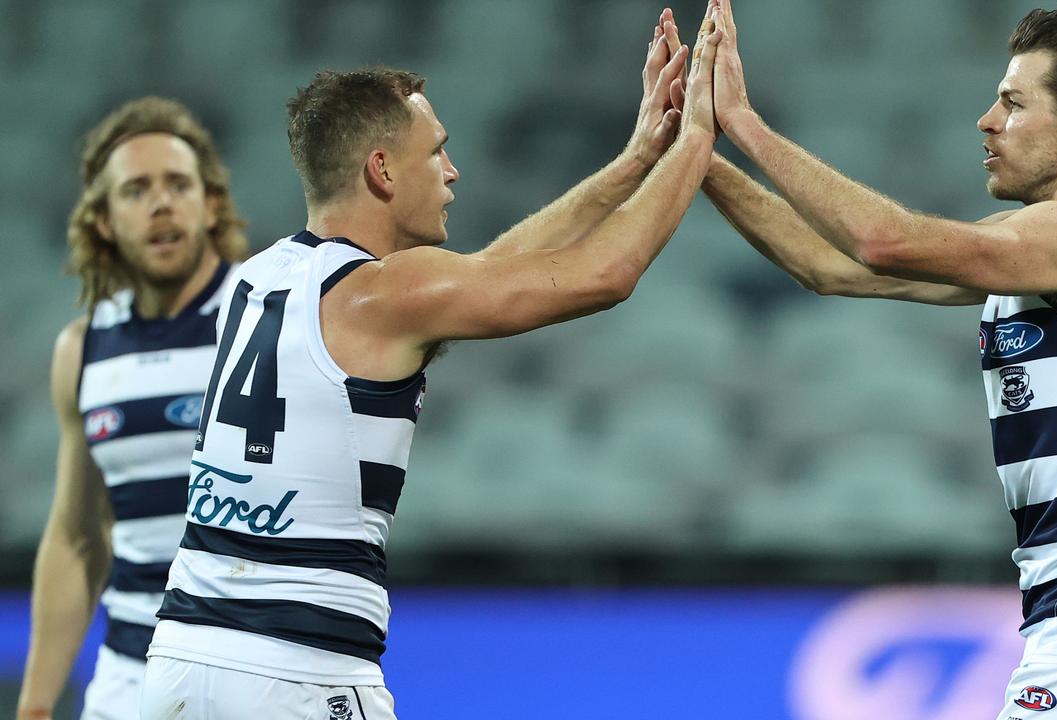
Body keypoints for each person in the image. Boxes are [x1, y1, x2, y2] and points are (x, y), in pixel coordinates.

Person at [138, 8, 723, 719]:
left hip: (177, 663)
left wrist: (635, 160)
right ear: (381, 170)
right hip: (296, 672)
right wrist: (698, 135)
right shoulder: (383, 294)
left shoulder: (260, 280)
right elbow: (606, 275)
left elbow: (487, 272)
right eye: (435, 152)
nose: (452, 171)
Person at [690, 2, 1057, 718]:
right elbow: (832, 267)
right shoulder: (1042, 246)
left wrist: (743, 124)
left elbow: (884, 243)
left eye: (1012, 102)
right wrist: (697, 152)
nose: (987, 121)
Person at [16, 98, 248, 720]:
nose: (162, 203)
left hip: (254, 670)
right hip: (130, 678)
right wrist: (36, 707)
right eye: (137, 190)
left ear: (212, 203)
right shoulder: (82, 351)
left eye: (179, 184)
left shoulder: (264, 320)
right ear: (103, 221)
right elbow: (76, 537)